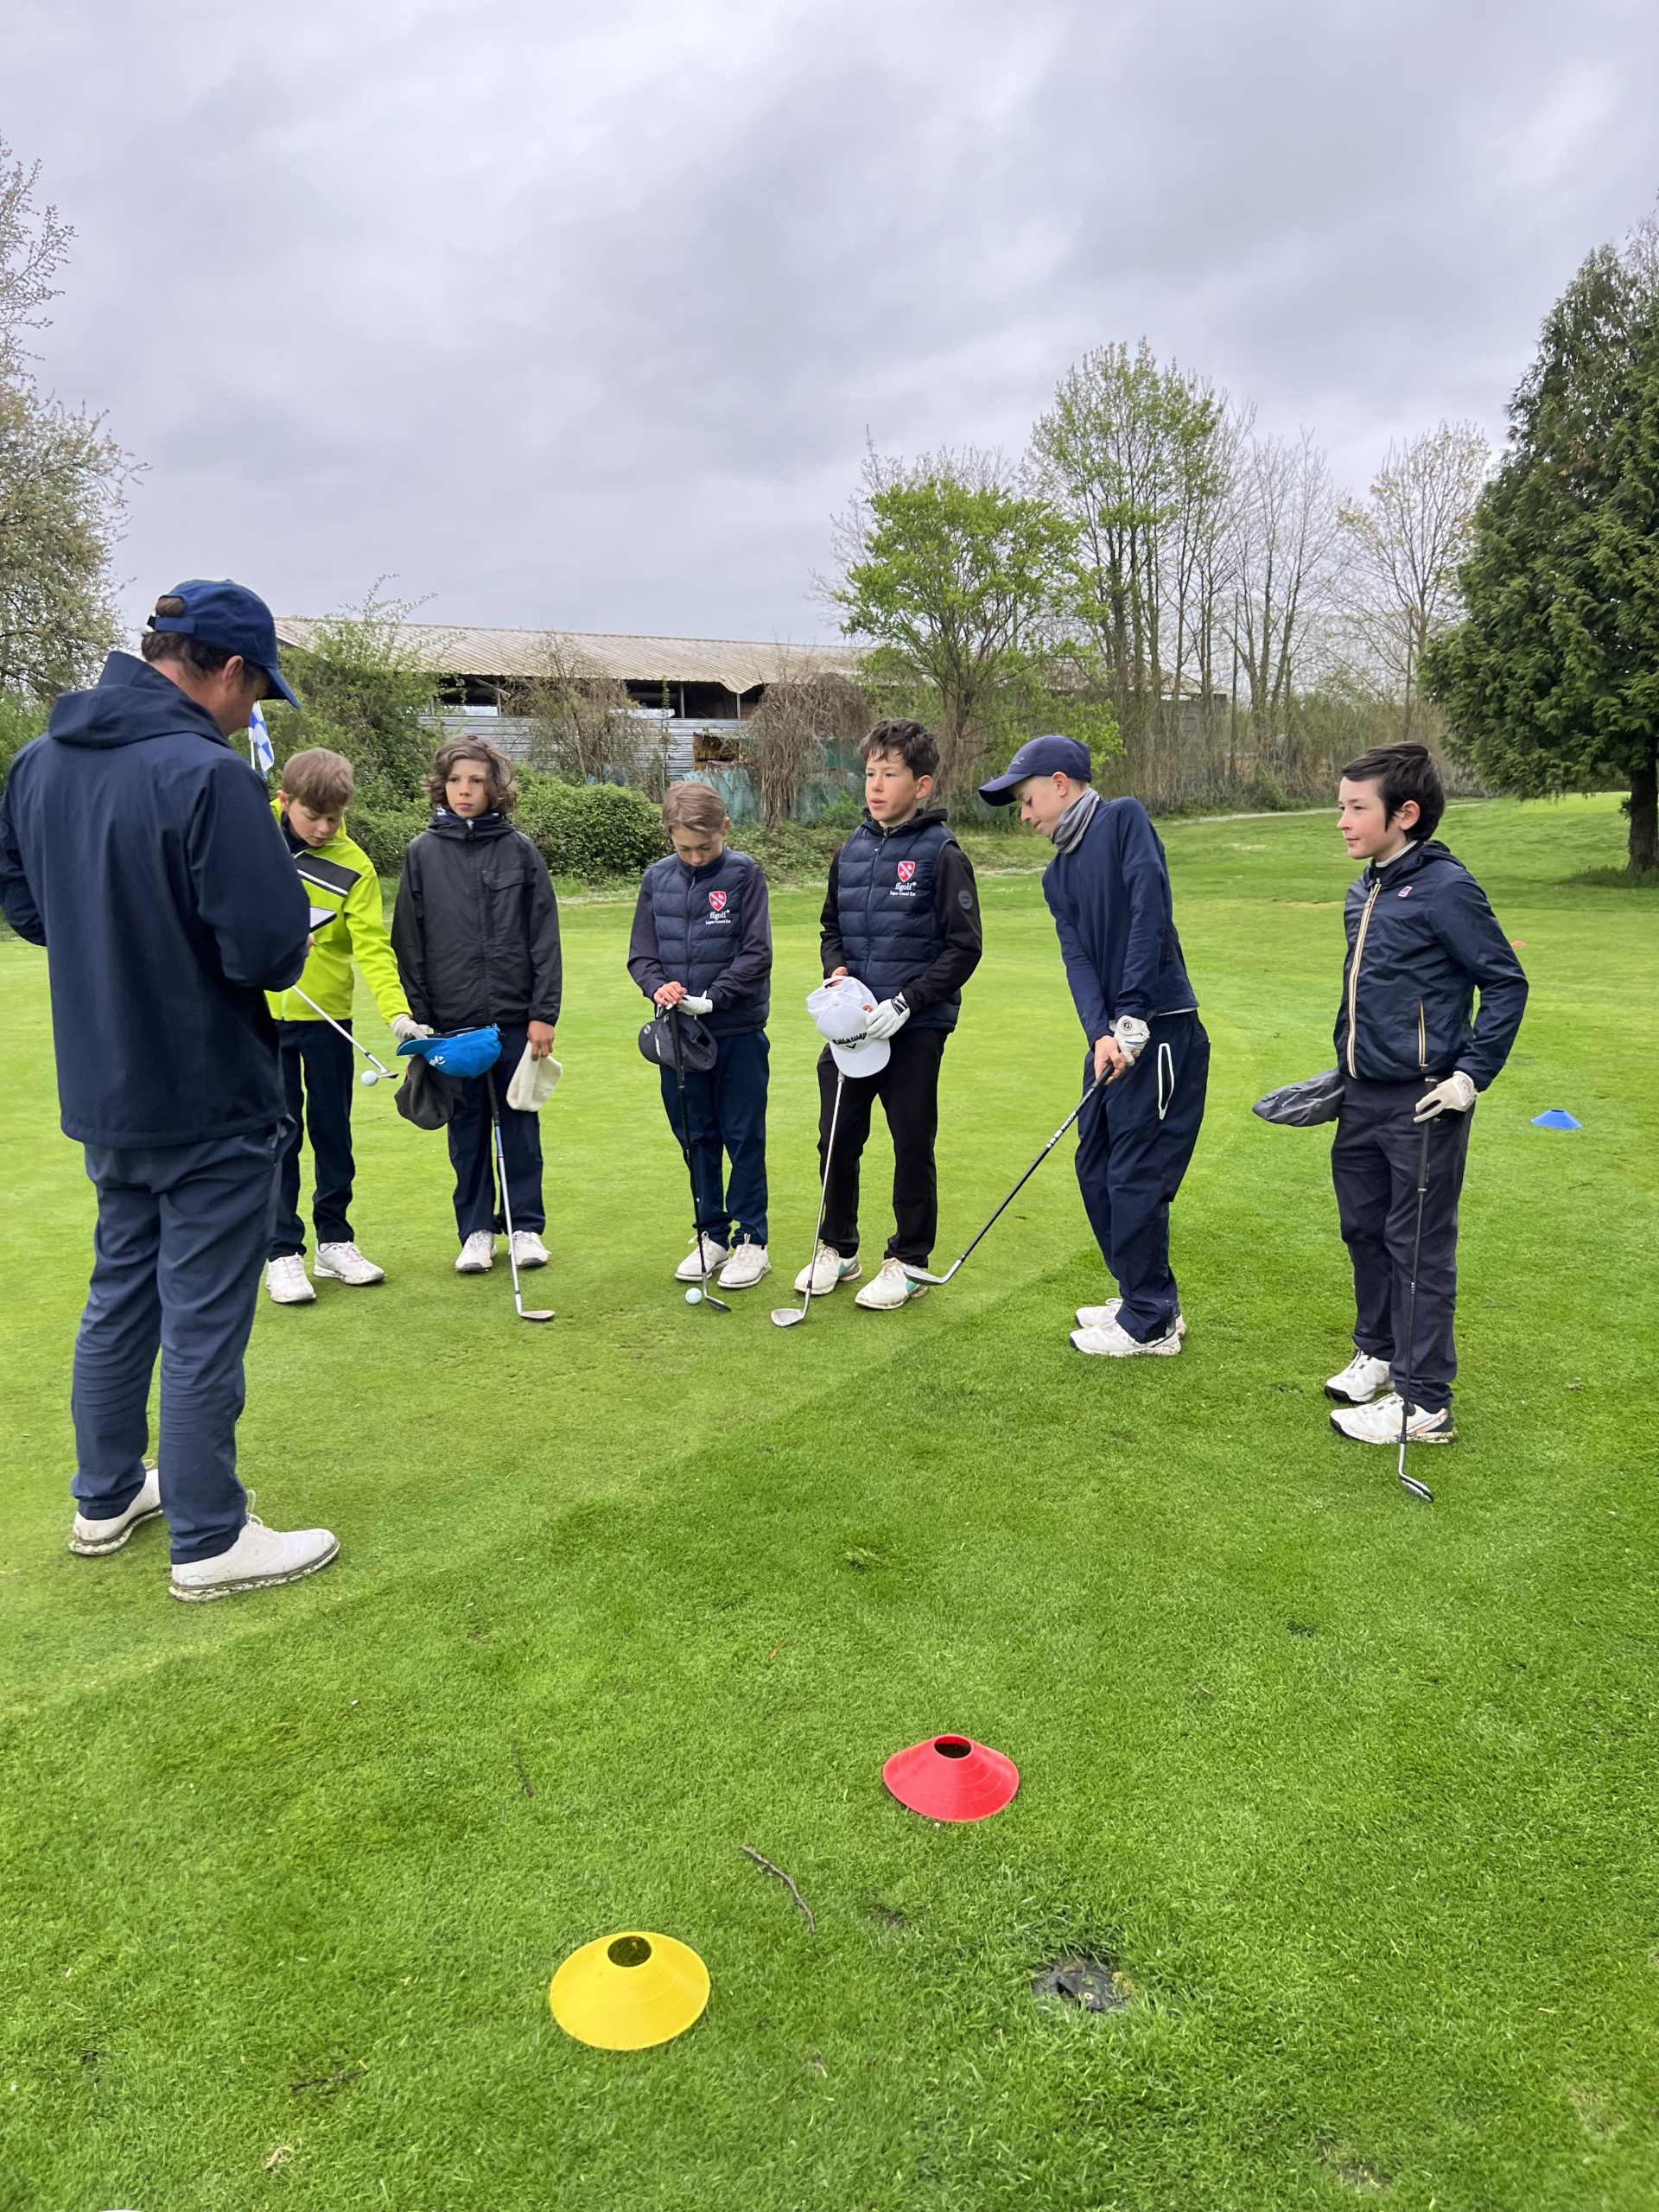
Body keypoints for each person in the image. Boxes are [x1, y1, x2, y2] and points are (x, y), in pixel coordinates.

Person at [0, 581, 339, 1600]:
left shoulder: (37, 761)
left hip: (105, 1083)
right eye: (255, 692)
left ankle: (106, 1495)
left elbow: (28, 906)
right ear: (226, 668)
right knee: (200, 1316)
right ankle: (208, 1535)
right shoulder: (210, 775)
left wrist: (120, 931)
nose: (250, 714)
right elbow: (268, 952)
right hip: (207, 1090)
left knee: (120, 1290)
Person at [1323, 743, 1527, 1446]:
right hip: (1361, 1098)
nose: (1343, 821)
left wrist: (1470, 1076)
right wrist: (1344, 1068)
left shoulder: (1445, 889)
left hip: (1424, 1101)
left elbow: (1505, 983)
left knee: (1418, 1250)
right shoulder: (1364, 889)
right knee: (1364, 1231)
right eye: (1342, 806)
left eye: (1357, 808)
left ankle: (1425, 1402)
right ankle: (1379, 1354)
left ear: (1405, 814)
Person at [980, 734, 1207, 1358]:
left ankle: (1151, 1320)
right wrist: (1100, 1033)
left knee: (1135, 1172)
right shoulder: (1057, 876)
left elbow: (1149, 911)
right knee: (1095, 1165)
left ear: (1060, 784)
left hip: (1161, 1027)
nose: (1024, 816)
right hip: (1112, 1039)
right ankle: (1141, 1293)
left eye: (1027, 801)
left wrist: (1132, 1011)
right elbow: (1077, 959)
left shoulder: (1123, 820)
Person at [798, 718, 982, 1312]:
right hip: (852, 1028)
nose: (875, 786)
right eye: (870, 773)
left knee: (911, 1144)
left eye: (890, 774)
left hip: (915, 1026)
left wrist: (909, 1000)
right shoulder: (851, 849)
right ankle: (837, 1247)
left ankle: (908, 1260)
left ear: (922, 785)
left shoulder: (942, 853)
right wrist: (837, 972)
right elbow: (831, 927)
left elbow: (964, 947)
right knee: (835, 1139)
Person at [391, 735, 560, 1274]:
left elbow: (544, 938)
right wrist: (421, 1023)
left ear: (494, 787)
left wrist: (543, 1014)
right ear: (442, 785)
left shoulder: (520, 850)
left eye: (476, 781)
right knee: (465, 1133)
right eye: (455, 780)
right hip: (451, 1023)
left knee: (519, 1126)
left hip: (514, 1018)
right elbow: (409, 944)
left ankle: (526, 1228)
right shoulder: (422, 853)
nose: (464, 790)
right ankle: (476, 1232)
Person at [264, 747, 427, 1305]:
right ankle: (282, 1252)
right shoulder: (249, 840)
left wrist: (398, 1014)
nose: (324, 828)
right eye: (313, 817)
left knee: (333, 1131)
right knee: (279, 1134)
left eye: (334, 819)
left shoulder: (354, 864)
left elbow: (371, 948)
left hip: (327, 1018)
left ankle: (334, 1241)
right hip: (258, 1016)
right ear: (285, 801)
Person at [628, 781, 773, 1289]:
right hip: (679, 1037)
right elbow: (642, 956)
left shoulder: (745, 874)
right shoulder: (656, 878)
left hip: (736, 1030)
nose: (693, 857)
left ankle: (752, 1241)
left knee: (743, 1136)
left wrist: (714, 997)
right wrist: (658, 987)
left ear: (724, 829)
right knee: (696, 1137)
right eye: (683, 847)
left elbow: (756, 953)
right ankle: (711, 1234)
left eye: (704, 847)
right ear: (669, 836)